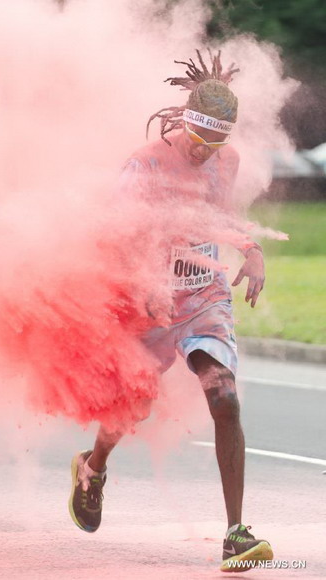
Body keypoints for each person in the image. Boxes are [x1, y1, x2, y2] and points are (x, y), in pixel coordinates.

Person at [68, 49, 273, 572]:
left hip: (204, 293)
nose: (207, 153)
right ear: (185, 124)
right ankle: (93, 468)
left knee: (223, 397)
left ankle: (236, 534)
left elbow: (217, 216)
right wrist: (146, 284)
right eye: (200, 141)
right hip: (150, 296)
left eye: (217, 144)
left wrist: (251, 250)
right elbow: (115, 235)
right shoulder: (145, 163)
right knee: (133, 407)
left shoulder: (225, 160)